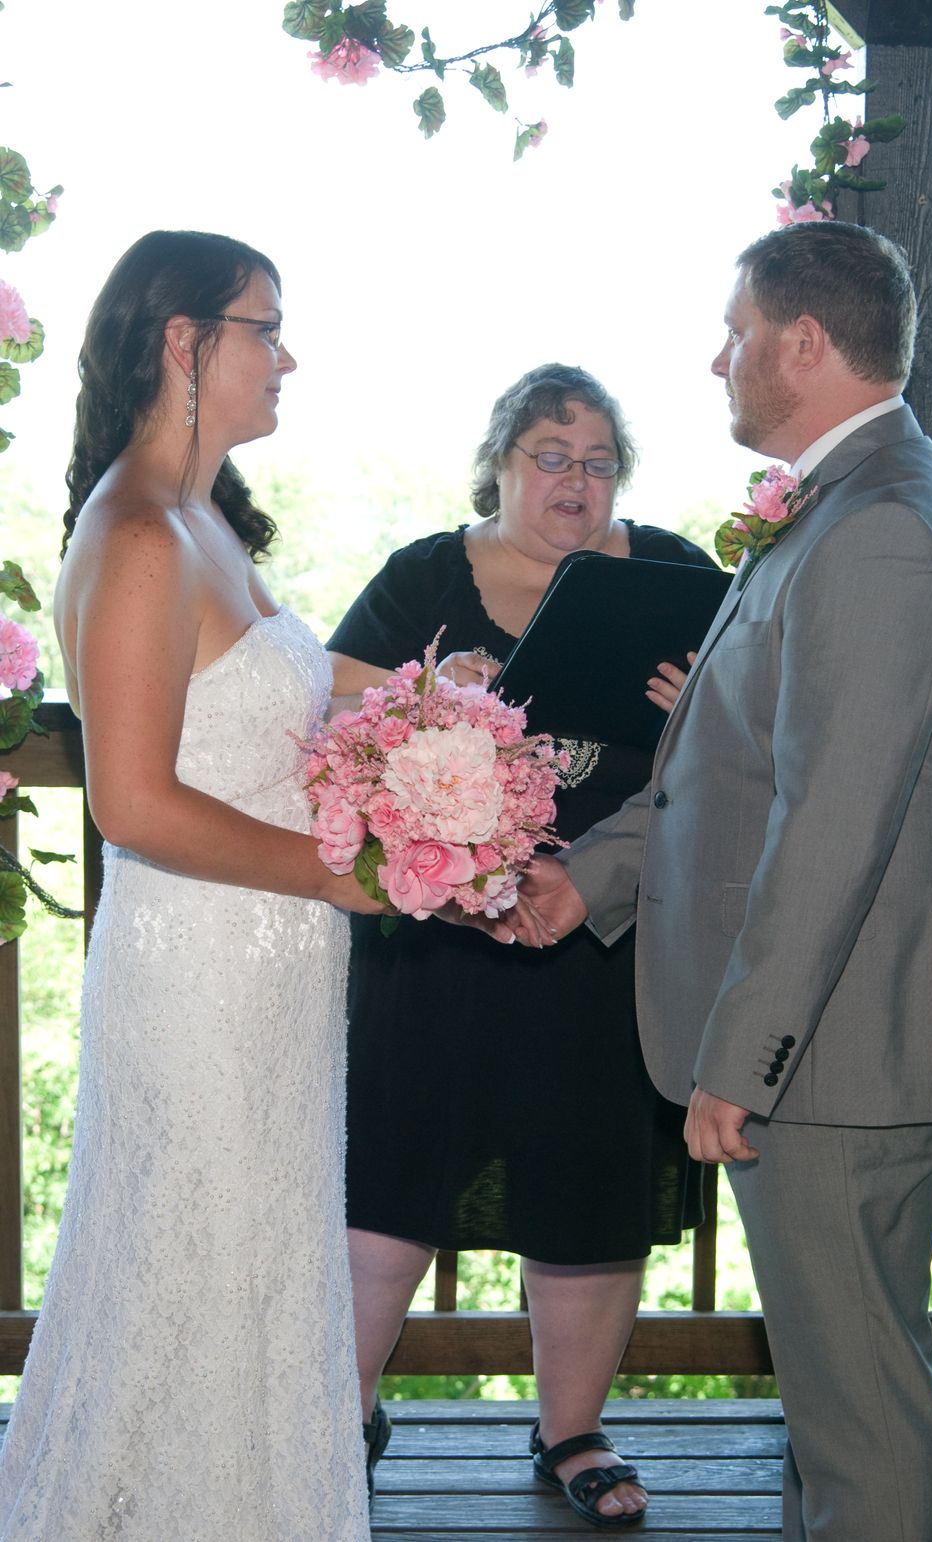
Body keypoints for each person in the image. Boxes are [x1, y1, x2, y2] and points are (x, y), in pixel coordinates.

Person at [514, 225, 932, 1541]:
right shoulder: (836, 502)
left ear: (805, 343)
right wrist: (593, 878)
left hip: (833, 1053)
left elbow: (836, 819)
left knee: (863, 1428)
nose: (717, 356)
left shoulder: (886, 526)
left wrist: (749, 1049)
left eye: (735, 330)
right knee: (835, 1415)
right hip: (830, 1042)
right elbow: (725, 767)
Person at [0, 230, 382, 1541]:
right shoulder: (141, 537)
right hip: (201, 985)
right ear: (185, 341)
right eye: (265, 329)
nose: (287, 356)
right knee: (195, 1276)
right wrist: (345, 874)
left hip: (269, 992)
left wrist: (454, 718)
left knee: (259, 1275)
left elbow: (285, 676)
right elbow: (135, 800)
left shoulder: (202, 521)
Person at [327, 363, 711, 1527]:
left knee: (593, 1177)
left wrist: (707, 698)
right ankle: (339, 1411)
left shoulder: (678, 576)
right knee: (389, 1174)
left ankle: (570, 1430)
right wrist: (428, 684)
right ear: (499, 462)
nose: (576, 482)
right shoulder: (427, 577)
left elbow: (754, 726)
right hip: (439, 935)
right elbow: (339, 699)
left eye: (599, 462)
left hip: (605, 937)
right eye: (552, 455)